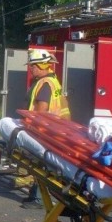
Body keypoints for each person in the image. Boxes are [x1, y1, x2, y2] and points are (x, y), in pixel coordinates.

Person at [21, 49, 71, 209]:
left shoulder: (44, 84)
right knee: (42, 164)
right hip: (55, 129)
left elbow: (41, 108)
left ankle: (38, 199)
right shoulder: (52, 81)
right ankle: (35, 195)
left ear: (42, 65)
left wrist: (30, 125)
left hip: (45, 130)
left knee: (41, 164)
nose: (31, 69)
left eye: (33, 66)